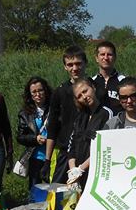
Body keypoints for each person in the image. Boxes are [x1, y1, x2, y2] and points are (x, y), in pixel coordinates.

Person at [43, 46, 105, 182]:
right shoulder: (59, 92)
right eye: (70, 65)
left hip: (91, 152)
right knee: (59, 191)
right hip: (66, 153)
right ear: (65, 67)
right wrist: (47, 160)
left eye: (78, 63)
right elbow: (52, 128)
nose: (75, 68)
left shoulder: (98, 90)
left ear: (85, 63)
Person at [65, 77, 113, 187]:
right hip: (78, 174)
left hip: (97, 172)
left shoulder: (106, 114)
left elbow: (105, 147)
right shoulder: (80, 117)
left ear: (93, 88)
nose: (84, 97)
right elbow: (72, 145)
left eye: (85, 91)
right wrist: (73, 171)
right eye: (79, 96)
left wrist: (81, 169)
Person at [16, 77, 53, 188]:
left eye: (40, 90)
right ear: (30, 94)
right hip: (35, 157)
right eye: (34, 92)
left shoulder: (54, 108)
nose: (38, 94)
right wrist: (35, 139)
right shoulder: (25, 113)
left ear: (45, 90)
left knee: (54, 188)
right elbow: (20, 137)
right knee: (36, 189)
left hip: (53, 156)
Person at [92, 40, 125, 109]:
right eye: (102, 54)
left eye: (109, 54)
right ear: (96, 58)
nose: (106, 58)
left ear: (115, 57)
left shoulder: (124, 81)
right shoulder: (91, 82)